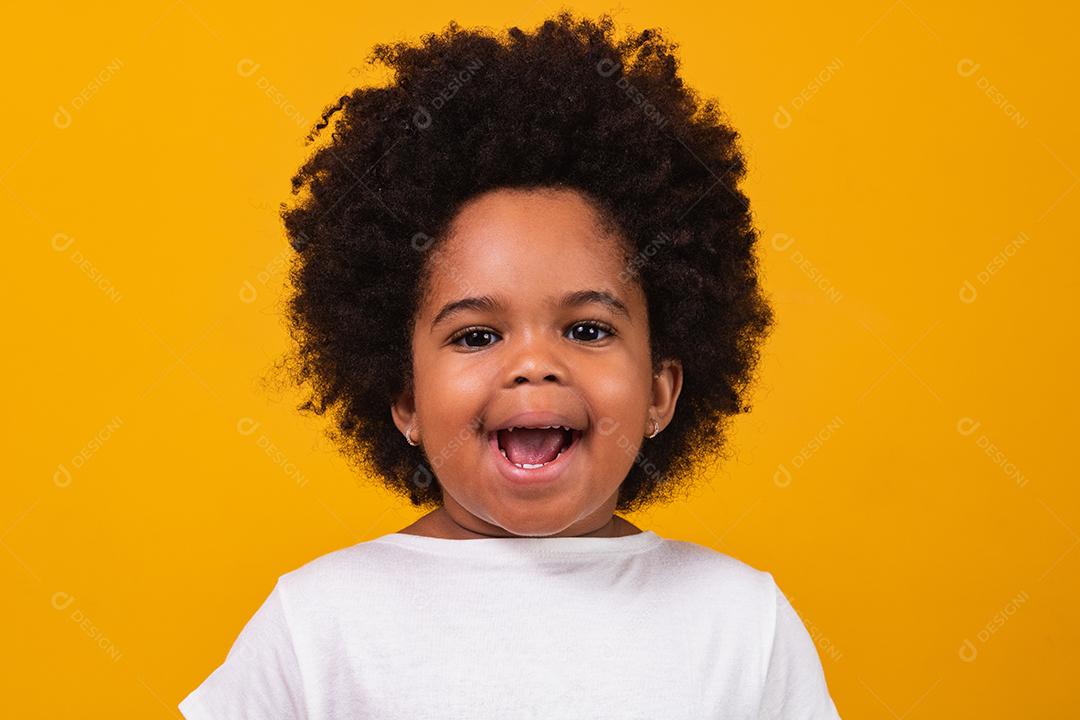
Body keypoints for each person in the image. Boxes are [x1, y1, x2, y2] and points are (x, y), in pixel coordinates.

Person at [179, 11, 842, 719]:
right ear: (406, 399)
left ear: (659, 393)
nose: (533, 364)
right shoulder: (317, 625)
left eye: (586, 329)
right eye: (475, 336)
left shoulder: (742, 623)